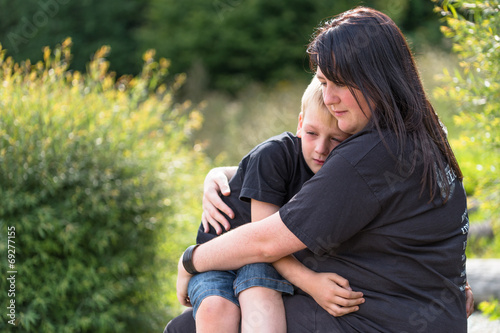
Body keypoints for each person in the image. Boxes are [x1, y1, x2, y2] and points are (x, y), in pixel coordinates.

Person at [173, 6, 473, 332]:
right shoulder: (424, 131)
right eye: (322, 82)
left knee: (189, 327)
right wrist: (227, 175)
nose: (328, 98)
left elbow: (266, 242)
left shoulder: (370, 155)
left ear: (374, 77)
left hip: (374, 319)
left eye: (339, 84)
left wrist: (191, 260)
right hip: (429, 314)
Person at [169, 76, 361, 333]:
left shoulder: (337, 172)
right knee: (216, 309)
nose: (321, 148)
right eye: (312, 133)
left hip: (265, 259)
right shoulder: (273, 155)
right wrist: (312, 283)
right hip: (222, 254)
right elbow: (262, 239)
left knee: (259, 296)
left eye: (335, 139)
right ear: (300, 123)